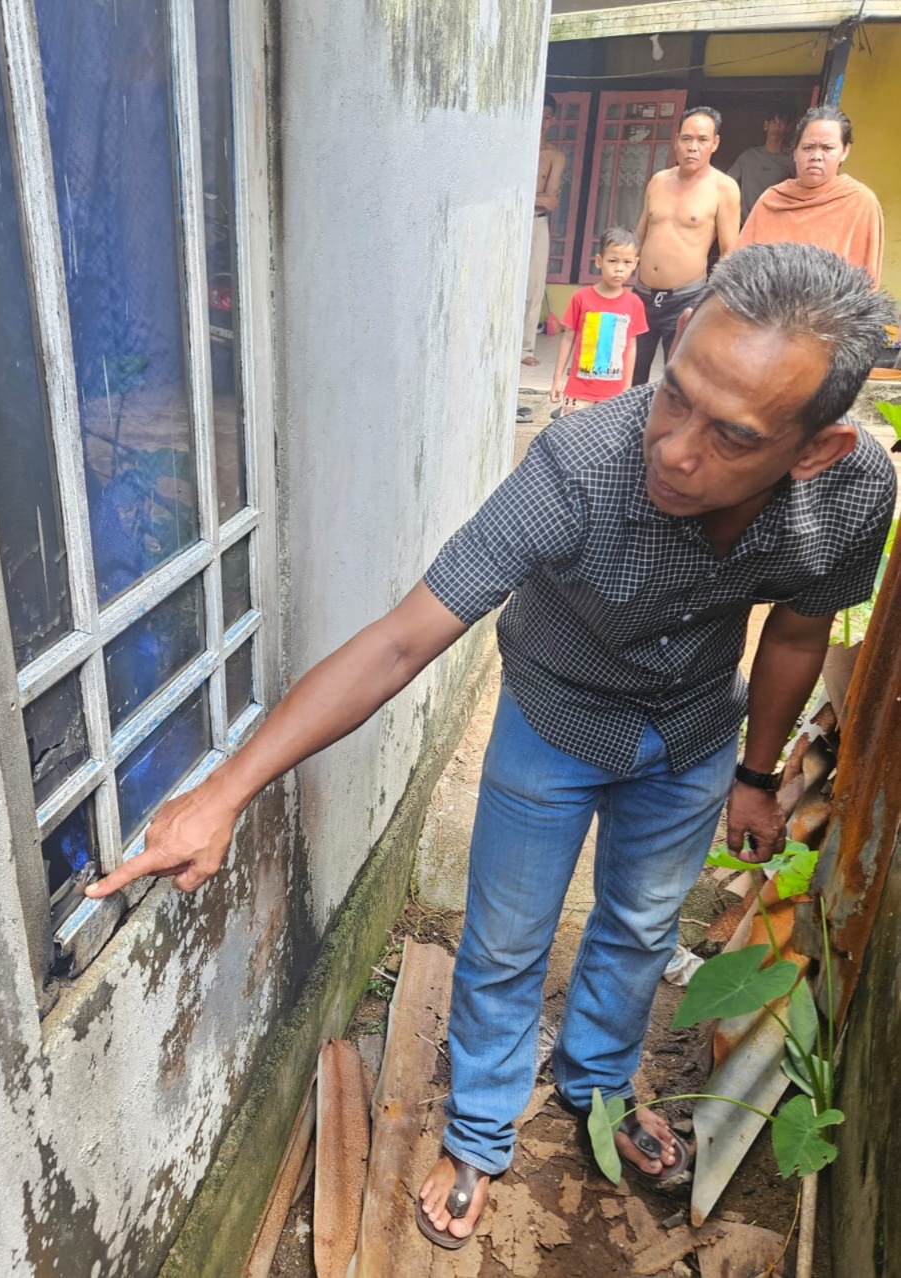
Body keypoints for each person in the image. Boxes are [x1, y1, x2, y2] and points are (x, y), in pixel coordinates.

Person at [85, 244, 896, 1249]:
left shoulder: (853, 494)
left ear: (815, 449)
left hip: (692, 731)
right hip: (553, 723)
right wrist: (225, 792)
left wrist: (757, 775)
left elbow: (800, 634)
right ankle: (478, 1132)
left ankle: (599, 1085)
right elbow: (400, 641)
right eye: (674, 395)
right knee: (506, 942)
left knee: (643, 927)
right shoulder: (580, 465)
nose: (675, 450)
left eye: (730, 435)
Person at [632, 107, 740, 386]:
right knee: (631, 374)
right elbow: (640, 234)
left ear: (715, 143)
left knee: (678, 380)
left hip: (686, 298)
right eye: (686, 139)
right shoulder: (658, 181)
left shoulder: (724, 188)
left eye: (702, 140)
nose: (693, 147)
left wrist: (718, 304)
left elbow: (730, 253)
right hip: (641, 295)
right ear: (676, 140)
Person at [737, 105, 884, 287]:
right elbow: (739, 269)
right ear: (794, 151)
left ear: (845, 151)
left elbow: (866, 283)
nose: (816, 156)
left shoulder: (859, 203)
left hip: (829, 305)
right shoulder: (772, 200)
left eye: (827, 148)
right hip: (766, 304)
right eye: (808, 148)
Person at [549, 226, 647, 413]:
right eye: (613, 261)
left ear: (635, 264)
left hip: (614, 395)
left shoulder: (634, 303)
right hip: (578, 391)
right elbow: (567, 339)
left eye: (627, 262)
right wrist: (556, 379)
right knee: (572, 432)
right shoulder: (581, 297)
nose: (619, 268)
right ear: (599, 261)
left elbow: (631, 347)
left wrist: (627, 388)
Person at [521, 96, 568, 368]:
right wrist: (536, 197)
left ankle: (524, 348)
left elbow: (550, 202)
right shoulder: (514, 149)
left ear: (553, 120)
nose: (542, 121)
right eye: (538, 114)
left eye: (547, 116)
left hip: (536, 223)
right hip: (509, 223)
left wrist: (520, 197)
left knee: (534, 286)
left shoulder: (555, 156)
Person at [725, 105, 796, 223]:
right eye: (773, 122)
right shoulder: (748, 156)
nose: (777, 126)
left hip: (773, 223)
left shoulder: (791, 160)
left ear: (788, 128)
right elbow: (726, 184)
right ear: (766, 125)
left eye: (782, 122)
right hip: (744, 224)